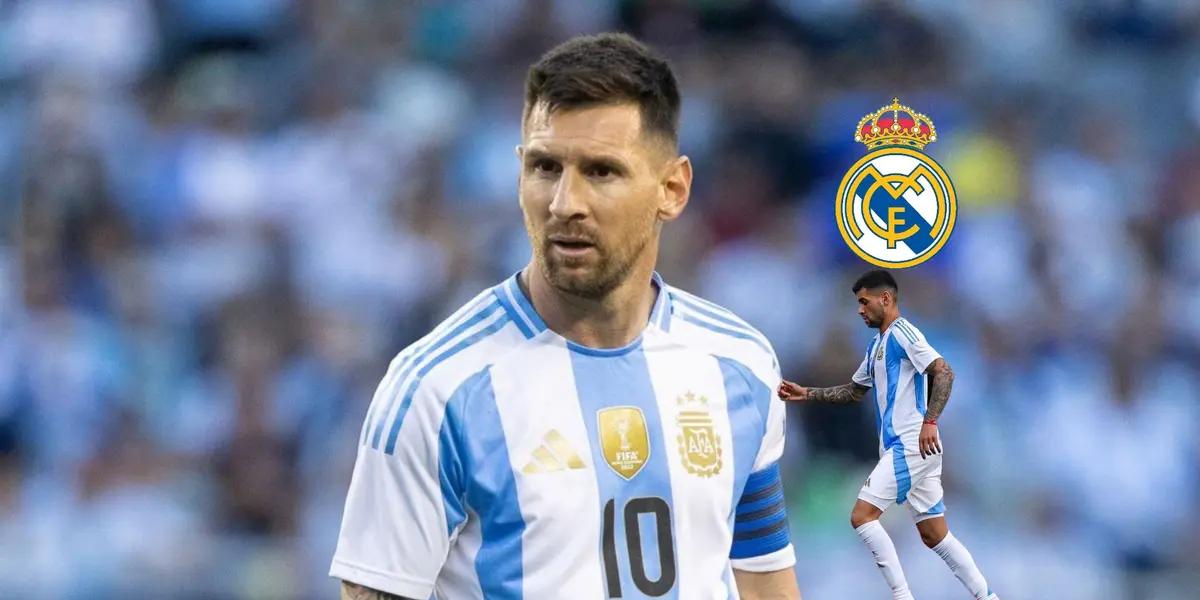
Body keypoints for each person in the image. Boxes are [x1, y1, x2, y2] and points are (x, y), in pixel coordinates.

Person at [331, 33, 801, 600]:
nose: (563, 203)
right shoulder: (437, 389)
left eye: (601, 172)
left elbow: (765, 581)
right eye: (546, 167)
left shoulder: (742, 364)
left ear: (672, 189)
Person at [777, 270, 997, 600]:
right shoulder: (875, 348)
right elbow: (851, 391)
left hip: (911, 448)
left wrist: (930, 424)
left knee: (867, 519)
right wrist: (807, 394)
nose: (862, 310)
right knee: (935, 535)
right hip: (885, 459)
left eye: (865, 303)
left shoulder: (904, 335)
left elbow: (943, 372)